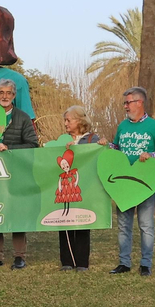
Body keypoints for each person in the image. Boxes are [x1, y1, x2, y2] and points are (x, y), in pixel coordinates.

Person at [109, 86, 155, 275]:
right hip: (124, 185)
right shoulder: (122, 126)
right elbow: (116, 148)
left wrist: (150, 155)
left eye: (129, 102)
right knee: (124, 226)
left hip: (145, 185)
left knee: (146, 225)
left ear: (139, 103)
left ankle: (145, 264)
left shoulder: (154, 126)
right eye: (125, 103)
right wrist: (105, 146)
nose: (125, 106)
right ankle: (124, 263)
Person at [0, 80, 36, 269]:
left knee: (17, 213)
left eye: (9, 93)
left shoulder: (23, 117)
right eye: (1, 93)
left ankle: (20, 256)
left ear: (14, 95)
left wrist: (9, 148)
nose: (5, 96)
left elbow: (32, 145)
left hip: (16, 173)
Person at [57, 106, 100, 271]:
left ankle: (82, 262)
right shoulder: (63, 141)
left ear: (80, 121)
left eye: (69, 120)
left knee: (82, 221)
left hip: (85, 188)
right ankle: (67, 261)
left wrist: (103, 145)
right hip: (65, 189)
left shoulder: (92, 140)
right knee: (65, 221)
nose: (66, 124)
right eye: (65, 120)